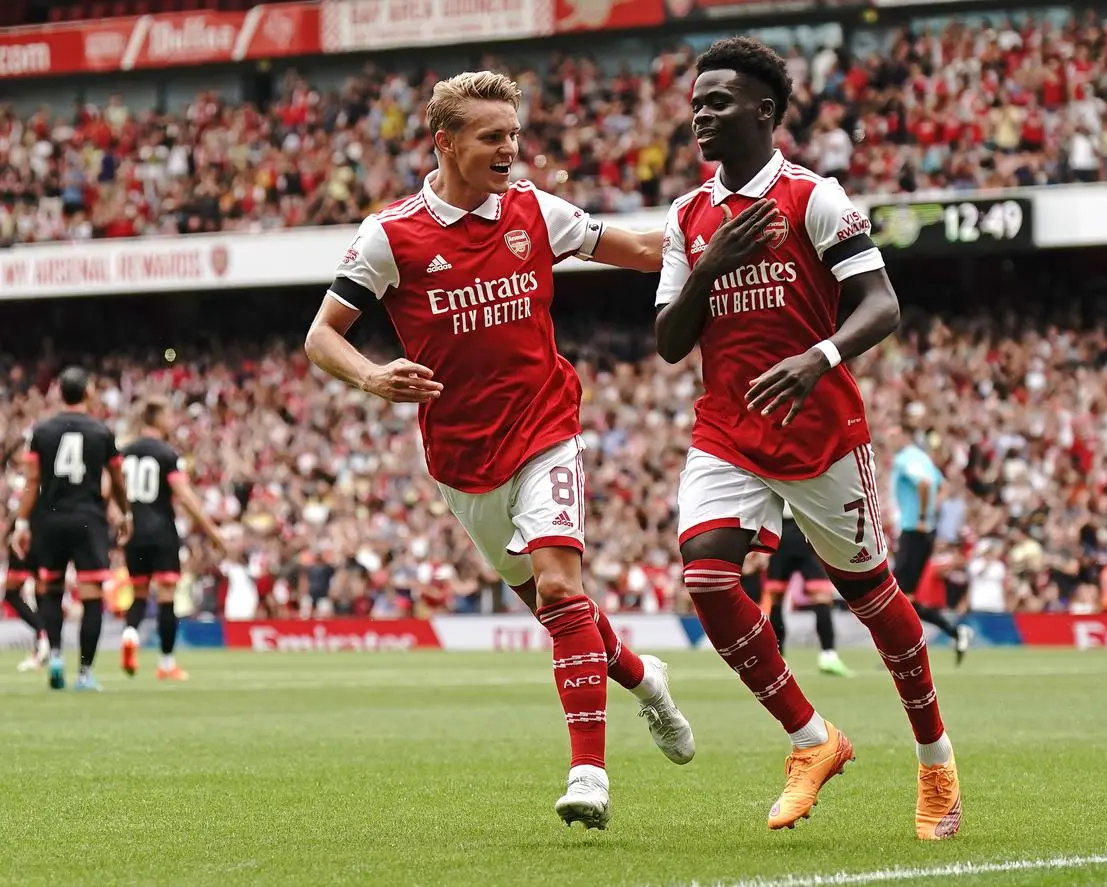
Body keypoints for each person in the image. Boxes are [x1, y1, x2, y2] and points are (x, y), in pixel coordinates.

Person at [305, 70, 695, 830]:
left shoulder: (536, 210)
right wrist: (372, 376)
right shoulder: (391, 235)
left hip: (547, 427)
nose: (510, 149)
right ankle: (646, 680)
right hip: (462, 460)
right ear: (445, 143)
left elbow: (644, 249)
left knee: (560, 590)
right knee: (559, 611)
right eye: (492, 136)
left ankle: (589, 773)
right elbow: (322, 336)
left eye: (514, 134)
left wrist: (715, 235)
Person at [654, 37, 962, 839]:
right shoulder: (686, 218)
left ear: (764, 111)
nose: (700, 115)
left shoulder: (815, 198)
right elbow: (669, 342)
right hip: (727, 428)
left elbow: (882, 304)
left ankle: (936, 760)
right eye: (695, 103)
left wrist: (818, 356)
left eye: (717, 102)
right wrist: (713, 263)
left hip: (820, 431)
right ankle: (811, 738)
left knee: (874, 600)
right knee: (707, 576)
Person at [9, 366, 132, 692]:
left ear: (59, 392)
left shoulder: (42, 431)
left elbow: (32, 481)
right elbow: (117, 479)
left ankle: (56, 657)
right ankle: (85, 673)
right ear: (88, 392)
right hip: (88, 518)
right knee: (91, 595)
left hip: (49, 518)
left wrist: (22, 522)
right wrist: (125, 512)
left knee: (50, 588)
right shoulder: (101, 432)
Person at [119, 397, 227, 681]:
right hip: (161, 532)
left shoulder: (125, 452)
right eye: (168, 416)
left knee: (139, 594)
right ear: (156, 418)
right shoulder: (166, 454)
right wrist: (212, 531)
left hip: (133, 532)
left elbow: (111, 491)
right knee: (167, 596)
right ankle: (166, 664)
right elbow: (185, 497)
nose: (172, 421)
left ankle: (130, 635)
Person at [887, 425, 973, 663]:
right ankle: (953, 632)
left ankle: (904, 652)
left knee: (896, 596)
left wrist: (923, 516)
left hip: (914, 531)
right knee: (904, 597)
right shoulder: (923, 459)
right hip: (920, 532)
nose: (889, 440)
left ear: (905, 435)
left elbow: (924, 484)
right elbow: (941, 486)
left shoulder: (906, 459)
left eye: (893, 435)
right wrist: (933, 510)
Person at [763, 502, 851, 676]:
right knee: (816, 596)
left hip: (789, 531)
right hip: (801, 529)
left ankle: (781, 659)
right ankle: (827, 655)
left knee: (779, 599)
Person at [5, 506, 48, 672]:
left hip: (27, 530)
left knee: (12, 594)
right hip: (42, 529)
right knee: (41, 595)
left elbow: (29, 496)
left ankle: (42, 637)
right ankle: (43, 646)